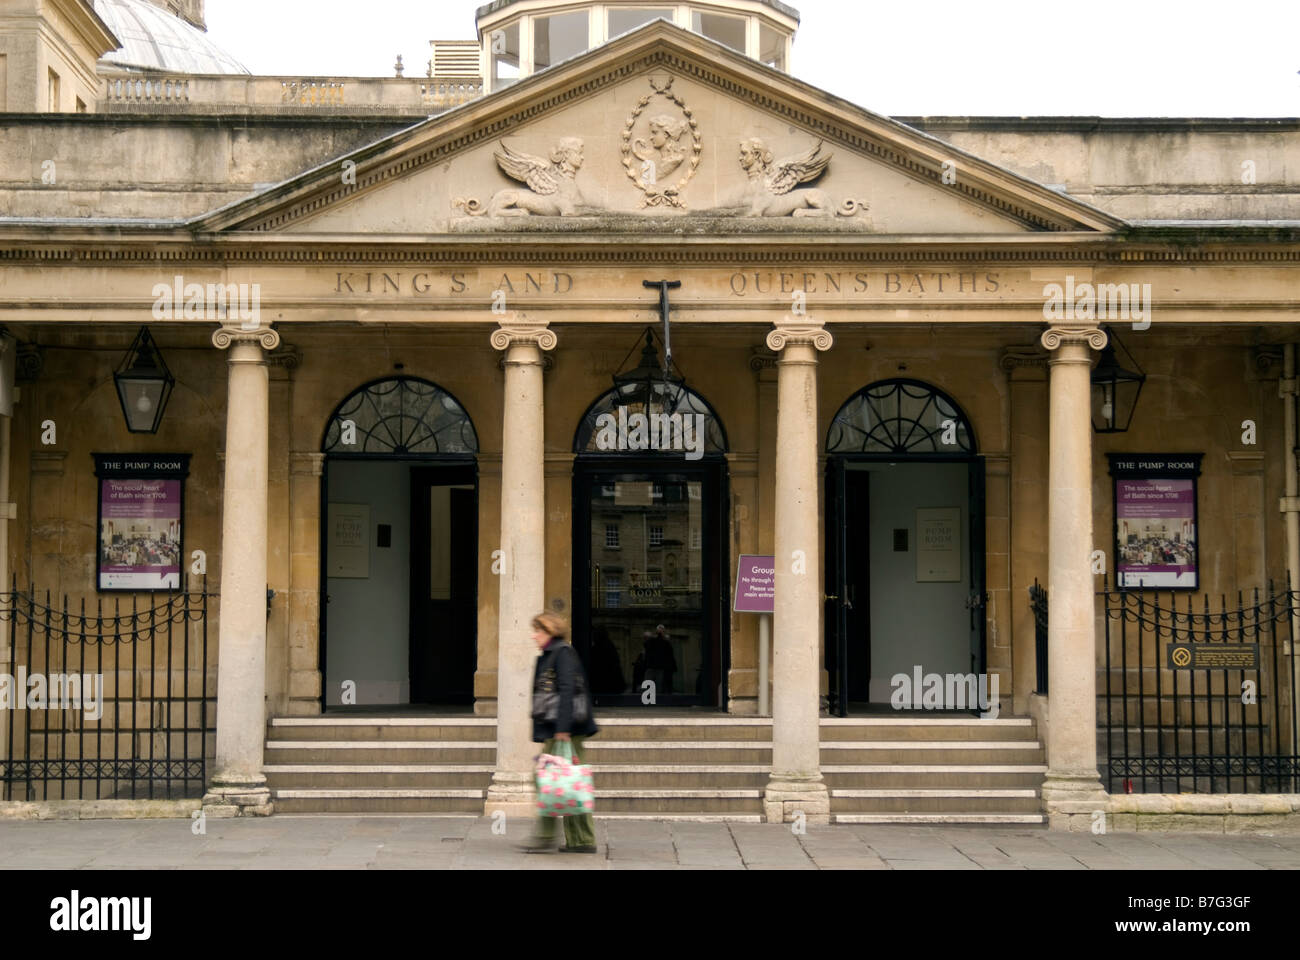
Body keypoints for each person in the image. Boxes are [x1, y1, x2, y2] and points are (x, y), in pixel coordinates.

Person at [519, 611, 600, 854]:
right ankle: (579, 839)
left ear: (550, 631)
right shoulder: (552, 653)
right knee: (566, 782)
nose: (534, 636)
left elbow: (567, 690)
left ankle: (556, 836)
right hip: (559, 728)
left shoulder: (561, 652)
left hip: (565, 730)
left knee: (558, 781)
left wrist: (563, 728)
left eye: (539, 631)